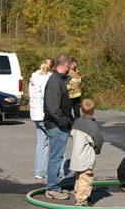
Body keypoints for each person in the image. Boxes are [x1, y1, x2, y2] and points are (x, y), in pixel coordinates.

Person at [44, 54, 74, 200]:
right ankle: (52, 188)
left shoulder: (58, 80)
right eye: (71, 65)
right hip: (56, 125)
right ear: (67, 64)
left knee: (58, 156)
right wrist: (65, 122)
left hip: (59, 124)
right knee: (56, 157)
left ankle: (54, 186)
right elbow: (53, 109)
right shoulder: (55, 81)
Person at [70, 98, 104, 207]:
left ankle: (79, 196)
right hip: (86, 158)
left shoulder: (76, 122)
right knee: (86, 179)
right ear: (93, 110)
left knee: (79, 178)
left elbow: (72, 135)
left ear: (81, 110)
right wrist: (96, 150)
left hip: (76, 156)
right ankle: (81, 200)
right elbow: (98, 141)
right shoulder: (92, 126)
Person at [29, 58, 55, 179]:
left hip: (36, 114)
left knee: (42, 142)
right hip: (45, 115)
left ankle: (39, 171)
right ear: (52, 67)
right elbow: (49, 97)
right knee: (56, 141)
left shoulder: (34, 77)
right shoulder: (48, 78)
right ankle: (59, 171)